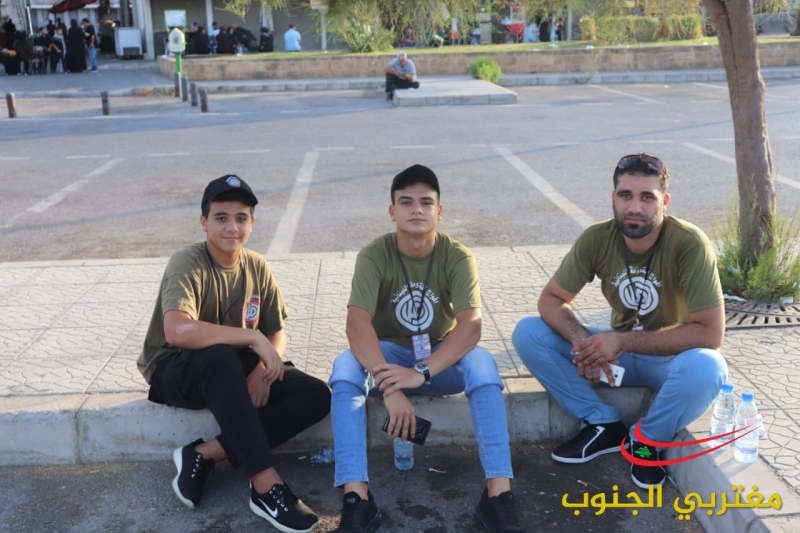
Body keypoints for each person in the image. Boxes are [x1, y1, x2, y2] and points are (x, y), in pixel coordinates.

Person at [328, 164, 525, 533]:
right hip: (389, 358)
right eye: (406, 202)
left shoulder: (457, 256)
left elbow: (471, 326)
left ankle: (498, 495)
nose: (416, 209)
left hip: (439, 359)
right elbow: (357, 324)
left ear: (439, 210)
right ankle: (357, 498)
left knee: (483, 365)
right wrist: (390, 386)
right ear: (392, 211)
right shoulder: (374, 255)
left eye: (425, 202)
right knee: (344, 369)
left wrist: (420, 372)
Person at [512, 153, 727, 489]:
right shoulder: (597, 237)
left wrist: (621, 341)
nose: (635, 207)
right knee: (528, 332)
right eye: (626, 195)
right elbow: (550, 299)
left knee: (708, 367)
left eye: (647, 197)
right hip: (615, 360)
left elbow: (711, 334)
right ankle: (602, 424)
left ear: (665, 202)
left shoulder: (690, 243)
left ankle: (646, 441)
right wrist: (583, 344)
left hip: (670, 359)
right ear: (613, 198)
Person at [137, 175, 331, 533]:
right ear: (204, 222)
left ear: (252, 223)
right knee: (220, 356)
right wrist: (252, 338)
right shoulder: (188, 260)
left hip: (232, 368)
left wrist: (262, 369)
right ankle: (265, 486)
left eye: (241, 218)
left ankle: (205, 453)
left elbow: (275, 332)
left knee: (317, 394)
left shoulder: (256, 265)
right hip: (178, 370)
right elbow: (177, 330)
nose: (232, 227)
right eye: (221, 217)